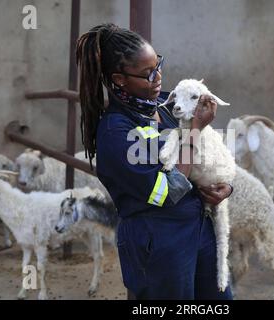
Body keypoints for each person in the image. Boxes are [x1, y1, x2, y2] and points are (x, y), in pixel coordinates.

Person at [76, 23, 233, 300]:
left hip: (197, 228)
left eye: (157, 64)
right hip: (158, 242)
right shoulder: (116, 132)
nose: (157, 77)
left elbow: (212, 154)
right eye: (147, 74)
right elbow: (169, 191)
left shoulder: (166, 104)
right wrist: (195, 130)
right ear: (120, 79)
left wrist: (225, 187)